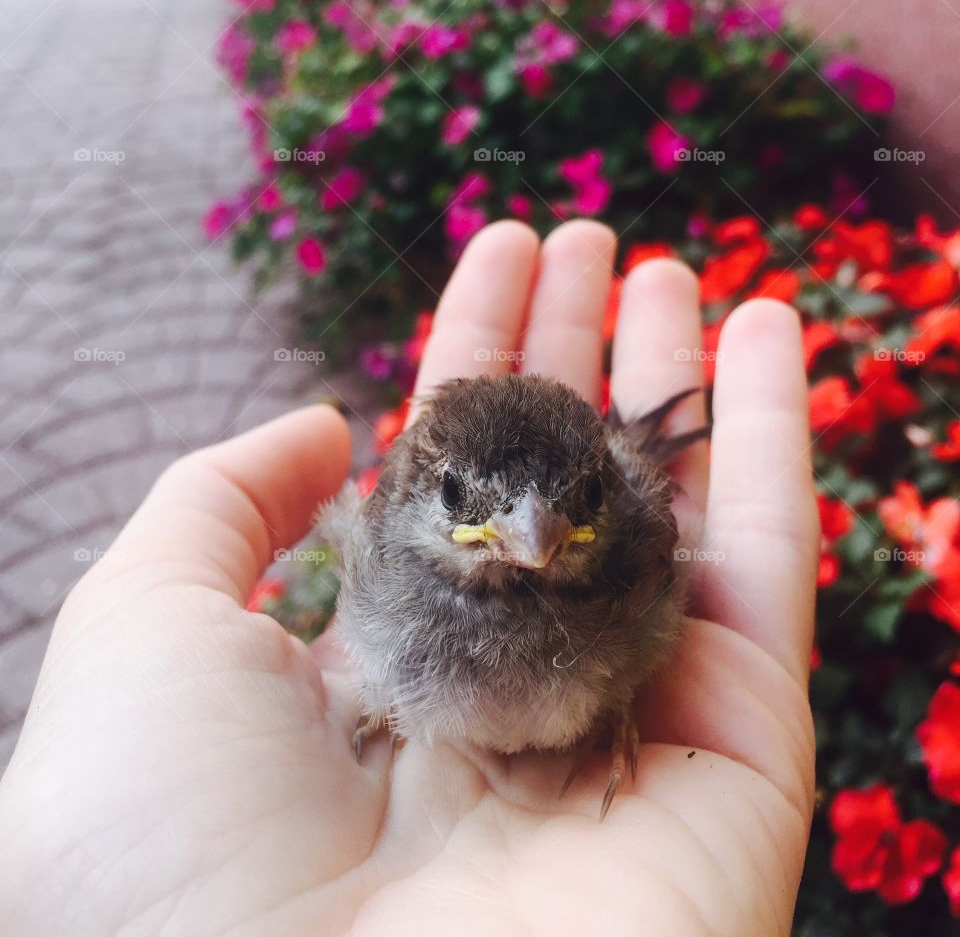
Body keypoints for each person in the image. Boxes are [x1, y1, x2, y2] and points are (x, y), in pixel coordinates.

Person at [0, 220, 817, 936]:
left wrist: (622, 701)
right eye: (463, 499)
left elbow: (623, 525)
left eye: (574, 505)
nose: (531, 536)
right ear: (423, 489)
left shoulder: (631, 545)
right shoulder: (386, 552)